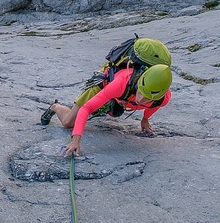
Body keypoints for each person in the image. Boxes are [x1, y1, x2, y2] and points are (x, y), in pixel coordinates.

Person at [41, 45, 173, 157]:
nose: (141, 99)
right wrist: (75, 141)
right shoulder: (122, 83)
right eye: (141, 93)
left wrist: (145, 119)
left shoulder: (162, 98)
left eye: (147, 98)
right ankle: (56, 107)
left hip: (121, 97)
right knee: (68, 123)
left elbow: (155, 105)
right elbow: (86, 109)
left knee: (115, 111)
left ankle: (109, 106)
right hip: (104, 84)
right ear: (139, 83)